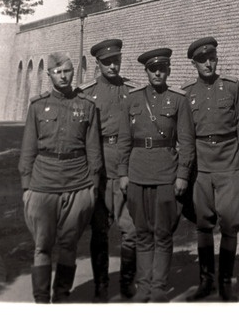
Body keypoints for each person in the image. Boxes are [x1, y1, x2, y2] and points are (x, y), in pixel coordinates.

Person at [18, 51, 103, 303]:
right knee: (42, 246)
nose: (63, 76)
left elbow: (93, 150)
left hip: (78, 186)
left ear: (72, 72)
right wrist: (26, 188)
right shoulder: (37, 106)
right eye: (58, 72)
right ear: (49, 75)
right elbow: (28, 150)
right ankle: (41, 300)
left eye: (67, 71)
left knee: (68, 245)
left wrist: (93, 188)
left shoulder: (86, 105)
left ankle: (62, 297)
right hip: (43, 187)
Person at [116, 47, 195, 302]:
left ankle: (159, 287)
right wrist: (122, 173)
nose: (158, 72)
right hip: (138, 174)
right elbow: (124, 140)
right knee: (142, 232)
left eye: (162, 68)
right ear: (146, 71)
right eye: (153, 69)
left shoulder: (179, 99)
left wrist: (182, 175)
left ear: (169, 70)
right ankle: (144, 286)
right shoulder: (132, 98)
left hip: (166, 175)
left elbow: (186, 141)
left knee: (162, 233)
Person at [182, 36, 239, 302]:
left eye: (212, 58)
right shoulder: (187, 92)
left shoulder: (233, 87)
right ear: (194, 63)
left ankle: (225, 282)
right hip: (201, 166)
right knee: (203, 224)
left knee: (231, 224)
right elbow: (186, 133)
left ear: (216, 59)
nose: (208, 64)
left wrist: (231, 156)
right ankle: (206, 281)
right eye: (202, 60)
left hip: (228, 164)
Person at [80, 38, 140, 302]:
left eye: (116, 61)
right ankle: (101, 284)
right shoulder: (87, 94)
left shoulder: (131, 91)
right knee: (100, 230)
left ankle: (127, 282)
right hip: (100, 169)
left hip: (126, 167)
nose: (113, 66)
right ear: (97, 64)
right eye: (107, 62)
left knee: (131, 229)